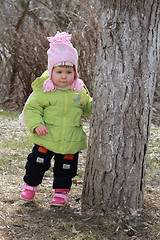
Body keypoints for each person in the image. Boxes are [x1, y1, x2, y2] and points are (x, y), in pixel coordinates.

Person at [20, 31, 92, 206]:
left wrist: (95, 104)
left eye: (68, 71)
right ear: (51, 71)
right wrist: (37, 124)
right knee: (36, 164)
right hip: (46, 137)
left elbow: (88, 108)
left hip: (70, 139)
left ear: (74, 73)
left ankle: (61, 192)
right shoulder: (45, 91)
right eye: (59, 71)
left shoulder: (79, 92)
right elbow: (32, 108)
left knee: (66, 168)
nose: (63, 76)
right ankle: (30, 186)